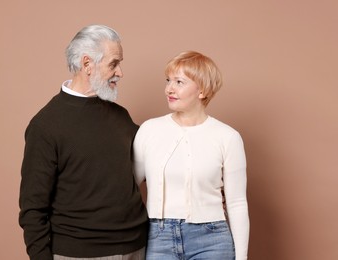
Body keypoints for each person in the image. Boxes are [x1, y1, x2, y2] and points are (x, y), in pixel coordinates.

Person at [19, 24, 148, 260]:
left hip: (138, 249)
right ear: (87, 64)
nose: (120, 72)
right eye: (113, 64)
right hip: (80, 254)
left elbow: (155, 159)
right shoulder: (45, 125)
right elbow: (32, 209)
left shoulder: (121, 116)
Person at [133, 51, 249, 259]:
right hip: (158, 238)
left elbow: (237, 203)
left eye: (179, 82)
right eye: (168, 80)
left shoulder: (228, 137)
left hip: (211, 239)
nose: (169, 88)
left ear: (202, 90)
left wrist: (241, 258)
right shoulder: (150, 130)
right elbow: (128, 187)